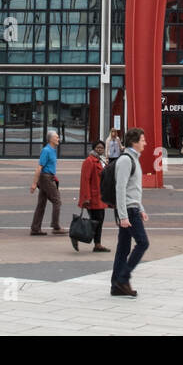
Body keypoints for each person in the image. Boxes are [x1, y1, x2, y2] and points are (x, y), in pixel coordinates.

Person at [110, 127, 149, 297]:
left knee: (123, 248)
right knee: (143, 243)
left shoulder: (134, 159)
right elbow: (120, 188)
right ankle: (123, 278)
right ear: (134, 142)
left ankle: (116, 285)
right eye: (142, 140)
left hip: (132, 209)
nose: (145, 143)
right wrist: (123, 215)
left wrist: (141, 208)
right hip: (127, 210)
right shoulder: (126, 160)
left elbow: (134, 190)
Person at [76, 139, 111, 252]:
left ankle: (96, 243)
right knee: (96, 221)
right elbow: (85, 180)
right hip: (93, 197)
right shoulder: (89, 161)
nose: (100, 149)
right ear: (94, 148)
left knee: (98, 221)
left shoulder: (101, 160)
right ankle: (88, 240)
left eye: (101, 148)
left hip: (100, 197)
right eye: (98, 148)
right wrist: (86, 198)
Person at [29, 130, 64, 235]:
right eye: (56, 137)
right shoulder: (46, 150)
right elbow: (39, 167)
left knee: (41, 203)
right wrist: (34, 183)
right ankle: (56, 226)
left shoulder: (53, 150)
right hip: (45, 178)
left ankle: (35, 228)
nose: (58, 139)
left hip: (49, 177)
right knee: (57, 201)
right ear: (50, 139)